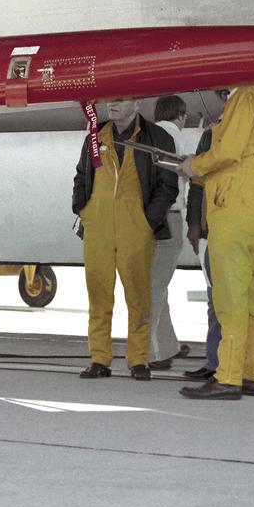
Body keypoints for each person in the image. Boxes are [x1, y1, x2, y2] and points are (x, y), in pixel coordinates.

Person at [176, 86, 254, 400]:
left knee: (229, 297)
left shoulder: (243, 99)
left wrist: (193, 166)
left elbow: (229, 151)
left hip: (234, 206)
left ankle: (228, 377)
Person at [73, 97, 179, 381]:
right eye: (111, 100)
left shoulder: (158, 138)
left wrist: (147, 222)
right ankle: (99, 359)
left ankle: (139, 359)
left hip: (136, 228)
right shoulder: (96, 137)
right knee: (98, 294)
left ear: (137, 104)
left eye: (121, 100)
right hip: (98, 226)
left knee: (138, 296)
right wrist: (83, 210)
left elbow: (168, 185)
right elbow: (82, 175)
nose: (112, 104)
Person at [148, 95, 194, 370]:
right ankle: (149, 354)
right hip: (169, 218)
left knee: (156, 285)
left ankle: (166, 347)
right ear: (182, 115)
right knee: (155, 287)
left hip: (152, 218)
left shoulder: (151, 135)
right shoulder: (177, 137)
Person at [182, 123, 219, 381]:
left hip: (235, 227)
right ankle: (214, 362)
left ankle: (227, 364)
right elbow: (197, 184)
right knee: (214, 302)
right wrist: (194, 223)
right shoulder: (210, 136)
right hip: (209, 230)